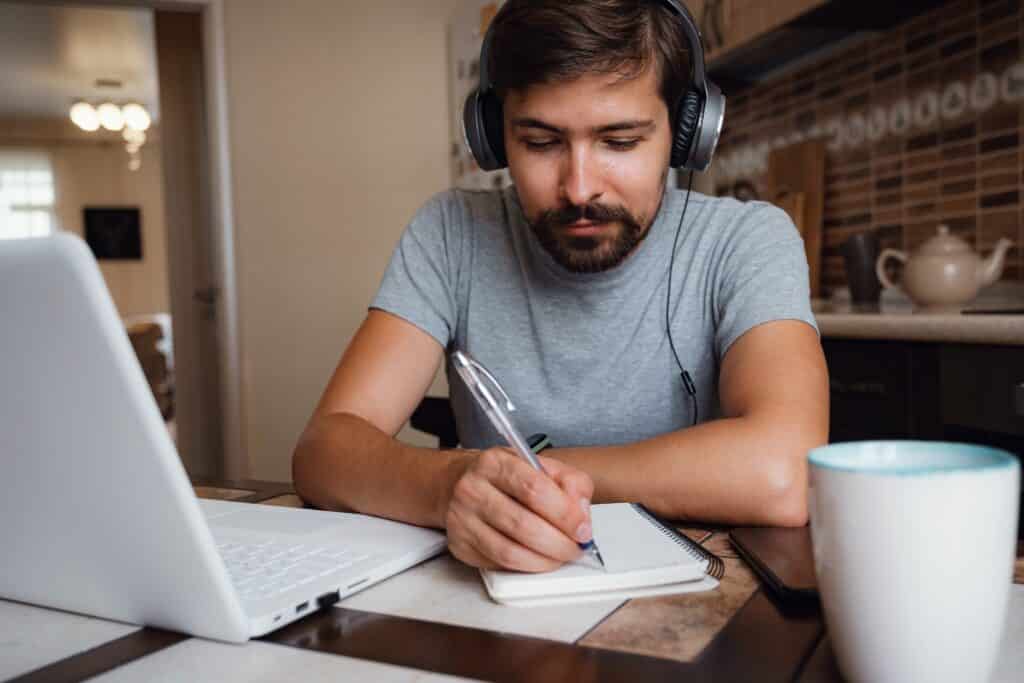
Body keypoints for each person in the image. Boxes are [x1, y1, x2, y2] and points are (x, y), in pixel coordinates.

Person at [293, 0, 828, 574]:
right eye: (542, 143)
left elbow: (784, 472)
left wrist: (522, 479)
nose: (578, 188)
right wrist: (450, 484)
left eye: (619, 141)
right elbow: (325, 451)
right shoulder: (450, 232)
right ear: (495, 138)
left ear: (684, 132)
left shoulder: (747, 239)